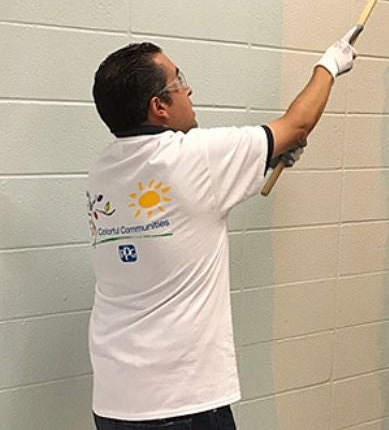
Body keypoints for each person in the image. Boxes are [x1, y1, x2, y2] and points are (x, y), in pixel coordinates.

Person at [86, 28, 358, 430]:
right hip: (180, 403)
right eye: (180, 82)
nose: (189, 91)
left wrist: (264, 161)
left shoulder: (102, 169)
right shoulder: (194, 156)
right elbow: (298, 124)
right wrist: (330, 63)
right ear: (159, 106)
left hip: (115, 402)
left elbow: (182, 209)